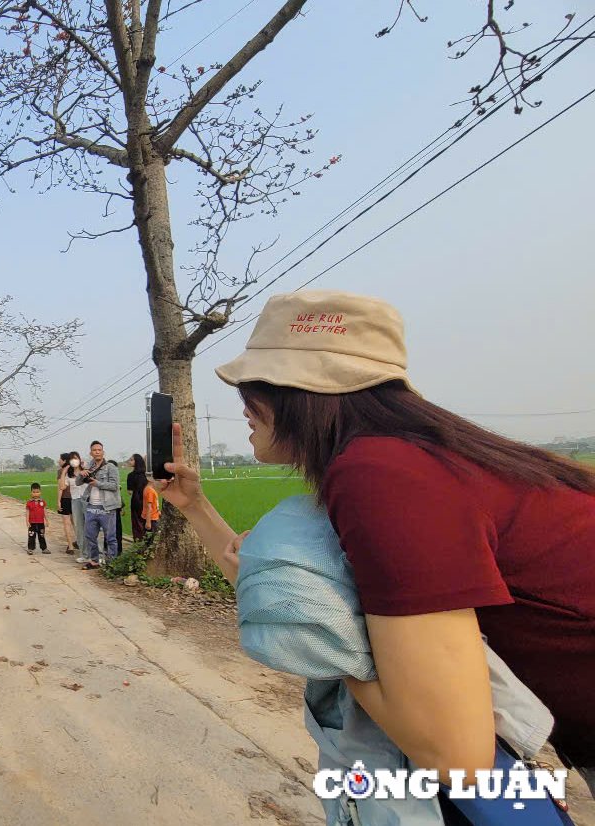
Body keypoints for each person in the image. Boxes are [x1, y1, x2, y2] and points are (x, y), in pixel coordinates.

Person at [152, 290, 595, 796]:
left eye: (254, 388)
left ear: (304, 393)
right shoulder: (411, 459)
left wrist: (328, 648)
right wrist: (194, 506)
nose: (245, 409)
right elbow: (287, 592)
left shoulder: (382, 476)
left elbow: (456, 757)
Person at [77, 441, 120, 569]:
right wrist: (81, 474)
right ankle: (94, 560)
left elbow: (114, 486)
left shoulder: (110, 467)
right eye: (94, 450)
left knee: (110, 537)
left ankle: (112, 563)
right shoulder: (89, 467)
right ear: (91, 453)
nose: (97, 452)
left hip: (106, 507)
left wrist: (98, 483)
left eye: (99, 450)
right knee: (90, 535)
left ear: (103, 452)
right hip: (91, 506)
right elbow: (79, 482)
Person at [67, 451, 89, 561]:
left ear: (80, 459)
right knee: (79, 527)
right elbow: (62, 486)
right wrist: (64, 471)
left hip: (87, 500)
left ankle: (97, 554)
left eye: (76, 458)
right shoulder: (68, 475)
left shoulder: (86, 471)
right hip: (75, 500)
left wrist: (85, 469)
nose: (74, 460)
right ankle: (84, 554)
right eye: (72, 459)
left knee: (91, 526)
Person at [55, 453, 78, 552]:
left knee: (66, 523)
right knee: (76, 523)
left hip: (65, 498)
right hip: (76, 498)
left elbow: (60, 488)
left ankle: (70, 546)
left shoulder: (61, 471)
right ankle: (79, 541)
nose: (58, 461)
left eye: (60, 459)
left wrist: (58, 501)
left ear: (64, 461)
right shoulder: (75, 469)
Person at [127, 454, 148, 542]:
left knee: (137, 524)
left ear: (137, 462)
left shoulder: (131, 475)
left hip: (136, 501)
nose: (129, 461)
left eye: (132, 460)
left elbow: (129, 492)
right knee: (147, 523)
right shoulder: (146, 475)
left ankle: (138, 543)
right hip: (147, 501)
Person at [25, 482, 49, 555]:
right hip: (32, 523)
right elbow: (27, 512)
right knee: (31, 536)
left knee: (41, 535)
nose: (35, 494)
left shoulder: (42, 502)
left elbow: (45, 511)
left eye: (37, 492)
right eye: (34, 492)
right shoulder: (29, 502)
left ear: (40, 492)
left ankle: (44, 548)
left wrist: (47, 520)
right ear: (31, 492)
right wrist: (27, 521)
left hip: (41, 522)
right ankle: (30, 549)